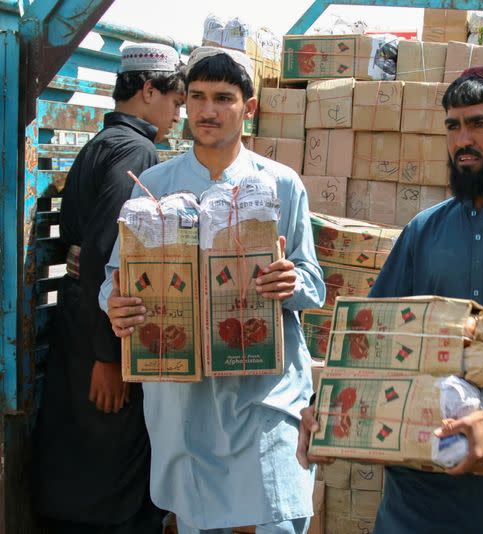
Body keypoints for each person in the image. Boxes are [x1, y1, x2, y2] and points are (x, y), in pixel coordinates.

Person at [296, 66, 483, 533]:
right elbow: (372, 334)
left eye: (479, 124)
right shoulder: (425, 231)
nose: (464, 139)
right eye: (453, 126)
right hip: (419, 488)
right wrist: (329, 406)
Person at [100, 46, 325, 534]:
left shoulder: (281, 185)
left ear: (249, 107)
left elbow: (314, 283)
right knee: (198, 521)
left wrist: (290, 282)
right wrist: (115, 306)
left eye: (223, 98)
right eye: (197, 97)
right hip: (184, 398)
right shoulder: (153, 185)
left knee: (276, 517)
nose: (207, 110)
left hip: (263, 395)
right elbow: (114, 277)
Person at [33, 43, 185, 534]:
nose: (178, 116)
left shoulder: (102, 143)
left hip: (81, 321)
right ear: (148, 90)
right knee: (110, 466)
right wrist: (110, 358)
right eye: (177, 102)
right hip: (100, 333)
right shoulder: (136, 150)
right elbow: (107, 252)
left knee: (86, 456)